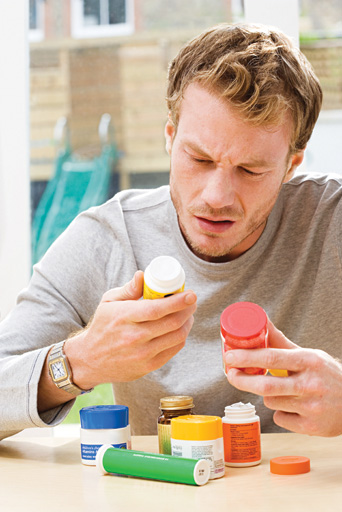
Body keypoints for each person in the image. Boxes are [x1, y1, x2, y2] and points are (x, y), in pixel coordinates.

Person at [1, 23, 342, 441]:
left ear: (292, 165)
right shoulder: (109, 237)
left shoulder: (333, 221)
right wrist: (81, 361)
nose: (217, 196)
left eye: (250, 170)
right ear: (170, 136)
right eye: (199, 159)